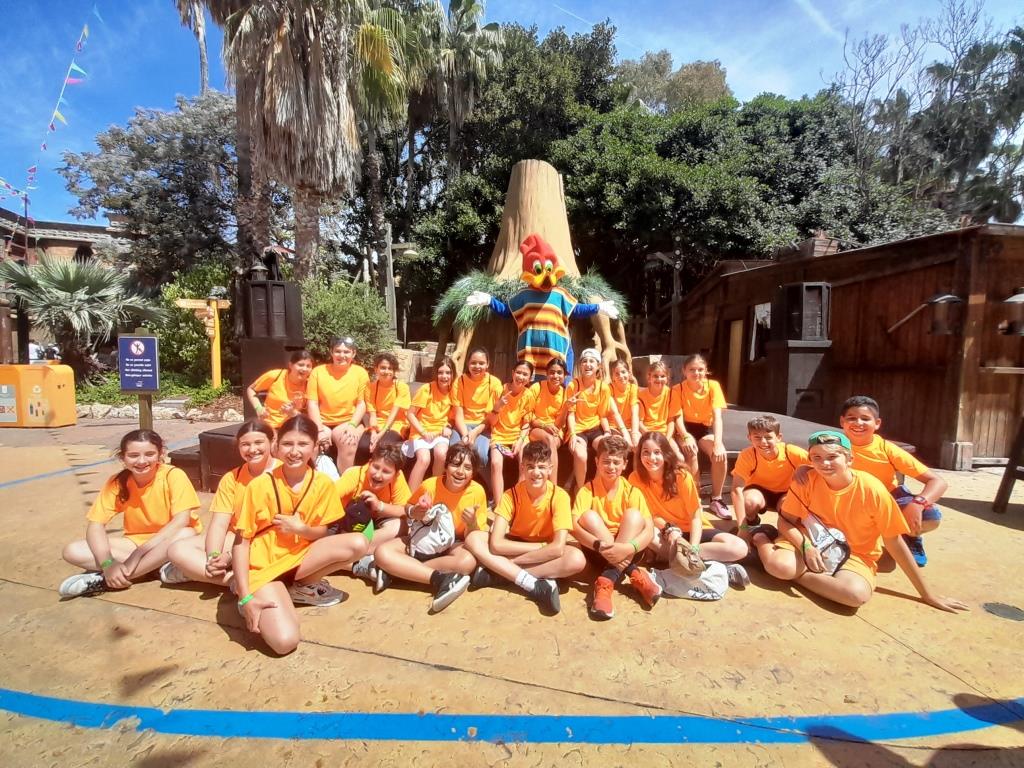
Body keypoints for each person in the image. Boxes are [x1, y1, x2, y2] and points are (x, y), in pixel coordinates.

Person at [753, 430, 967, 613]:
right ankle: (762, 538)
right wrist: (806, 547)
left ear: (849, 459)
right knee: (780, 567)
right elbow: (786, 522)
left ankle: (797, 576)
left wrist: (927, 594)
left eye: (832, 457)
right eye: (816, 457)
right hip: (808, 541)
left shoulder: (872, 490)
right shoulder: (806, 480)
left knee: (855, 596)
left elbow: (894, 542)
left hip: (855, 552)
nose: (824, 463)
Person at [233, 415, 368, 654]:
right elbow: (241, 544)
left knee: (358, 543)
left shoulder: (322, 483)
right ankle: (251, 593)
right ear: (276, 446)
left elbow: (323, 532)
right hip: (265, 566)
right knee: (285, 642)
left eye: (303, 444)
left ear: (315, 447)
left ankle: (299, 587)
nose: (294, 452)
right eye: (287, 444)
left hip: (300, 557)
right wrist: (245, 598)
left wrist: (302, 529)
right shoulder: (259, 486)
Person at [59, 430, 202, 597]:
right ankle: (151, 569)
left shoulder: (173, 475)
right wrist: (107, 563)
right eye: (133, 455)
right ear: (122, 457)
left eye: (149, 454)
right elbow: (96, 524)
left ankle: (108, 580)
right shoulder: (117, 482)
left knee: (186, 533)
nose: (142, 461)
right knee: (72, 551)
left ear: (161, 454)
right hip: (135, 544)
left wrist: (138, 554)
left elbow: (181, 521)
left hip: (169, 542)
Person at [463, 441, 586, 614]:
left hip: (541, 553)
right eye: (530, 467)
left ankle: (501, 573)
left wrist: (511, 563)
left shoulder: (560, 496)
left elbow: (558, 548)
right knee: (473, 538)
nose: (536, 472)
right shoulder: (510, 495)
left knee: (576, 558)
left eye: (541, 467)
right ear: (522, 468)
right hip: (520, 544)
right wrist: (540, 547)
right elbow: (497, 545)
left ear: (550, 469)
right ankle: (532, 583)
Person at [161, 420, 278, 587]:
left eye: (259, 442)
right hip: (238, 538)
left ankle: (196, 572)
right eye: (245, 444)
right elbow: (219, 524)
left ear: (272, 442)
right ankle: (231, 580)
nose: (252, 450)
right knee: (176, 550)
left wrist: (230, 555)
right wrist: (213, 557)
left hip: (272, 540)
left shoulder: (284, 473)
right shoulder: (232, 478)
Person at [373, 443, 486, 612]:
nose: (460, 471)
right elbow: (408, 508)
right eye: (455, 464)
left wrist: (471, 524)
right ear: (446, 466)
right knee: (381, 553)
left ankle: (400, 571)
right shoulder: (430, 485)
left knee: (467, 562)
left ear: (473, 472)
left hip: (453, 544)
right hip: (422, 540)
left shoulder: (477, 492)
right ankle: (439, 578)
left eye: (467, 468)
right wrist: (416, 511)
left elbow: (476, 536)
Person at [839, 395, 946, 567]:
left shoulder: (886, 449)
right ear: (842, 422)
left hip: (887, 499)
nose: (858, 423)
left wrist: (918, 504)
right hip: (846, 500)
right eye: (852, 418)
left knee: (931, 517)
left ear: (877, 423)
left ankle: (909, 536)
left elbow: (937, 481)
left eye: (865, 418)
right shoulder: (834, 446)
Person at [630, 432, 749, 584]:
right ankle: (717, 567)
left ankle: (686, 561)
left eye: (657, 452)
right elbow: (647, 516)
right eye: (646, 452)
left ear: (665, 454)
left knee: (739, 547)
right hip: (665, 532)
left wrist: (693, 548)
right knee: (646, 534)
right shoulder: (635, 478)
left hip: (693, 530)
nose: (651, 458)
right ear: (639, 455)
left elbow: (695, 516)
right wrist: (669, 530)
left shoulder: (681, 476)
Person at [571, 434, 662, 620]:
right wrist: (598, 545)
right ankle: (633, 572)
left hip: (630, 550)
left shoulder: (632, 491)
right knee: (588, 517)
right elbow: (572, 525)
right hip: (598, 551)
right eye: (606, 461)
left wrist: (628, 548)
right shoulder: (587, 490)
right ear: (596, 462)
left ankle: (605, 582)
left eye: (616, 462)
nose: (611, 467)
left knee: (634, 515)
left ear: (624, 464)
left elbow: (649, 530)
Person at [339, 443, 413, 581]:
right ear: (369, 463)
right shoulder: (354, 475)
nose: (378, 475)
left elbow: (406, 510)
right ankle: (359, 563)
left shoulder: (398, 478)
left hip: (373, 529)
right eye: (375, 467)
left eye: (386, 471)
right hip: (346, 528)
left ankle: (352, 557)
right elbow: (328, 498)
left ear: (395, 474)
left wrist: (380, 506)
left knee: (402, 526)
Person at [672, 354, 731, 520]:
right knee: (691, 452)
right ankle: (694, 497)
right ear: (684, 371)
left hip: (705, 428)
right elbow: (677, 418)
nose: (696, 373)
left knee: (720, 454)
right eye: (692, 369)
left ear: (706, 371)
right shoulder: (677, 389)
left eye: (700, 369)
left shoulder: (713, 386)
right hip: (685, 428)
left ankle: (716, 499)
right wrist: (685, 436)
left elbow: (717, 416)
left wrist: (718, 443)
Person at [731, 415, 808, 535]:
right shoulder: (747, 455)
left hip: (786, 492)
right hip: (759, 491)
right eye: (757, 437)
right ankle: (751, 523)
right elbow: (737, 489)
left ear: (778, 437)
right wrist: (742, 528)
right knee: (749, 502)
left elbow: (819, 465)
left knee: (790, 508)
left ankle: (786, 532)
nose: (763, 442)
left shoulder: (792, 452)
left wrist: (805, 467)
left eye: (768, 437)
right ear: (749, 438)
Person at [565, 347, 628, 490]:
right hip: (578, 429)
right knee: (581, 455)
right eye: (584, 361)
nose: (588, 364)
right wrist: (572, 434)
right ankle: (580, 488)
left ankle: (597, 485)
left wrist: (607, 432)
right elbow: (571, 414)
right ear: (580, 365)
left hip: (595, 428)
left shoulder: (603, 388)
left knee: (607, 450)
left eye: (591, 361)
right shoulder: (573, 385)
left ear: (598, 366)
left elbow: (602, 415)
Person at [306, 336, 370, 474]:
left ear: (353, 353)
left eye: (346, 352)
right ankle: (314, 480)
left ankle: (345, 483)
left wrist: (352, 425)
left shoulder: (360, 373)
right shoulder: (318, 372)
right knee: (311, 443)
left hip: (348, 421)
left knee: (348, 442)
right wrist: (319, 430)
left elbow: (362, 403)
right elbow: (312, 403)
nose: (342, 355)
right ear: (331, 352)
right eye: (338, 351)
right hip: (322, 421)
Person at [487, 360, 537, 504]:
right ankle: (499, 504)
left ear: (530, 378)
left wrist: (520, 440)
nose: (521, 377)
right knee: (496, 463)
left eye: (525, 374)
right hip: (499, 435)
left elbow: (526, 423)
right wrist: (497, 407)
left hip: (518, 435)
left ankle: (518, 500)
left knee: (525, 462)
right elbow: (491, 422)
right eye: (518, 373)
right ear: (512, 373)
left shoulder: (528, 395)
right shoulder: (499, 390)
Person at [404, 356, 456, 491]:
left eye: (448, 372)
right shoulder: (426, 389)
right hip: (421, 431)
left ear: (453, 374)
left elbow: (453, 417)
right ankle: (411, 496)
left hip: (440, 432)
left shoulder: (454, 391)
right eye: (440, 372)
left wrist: (449, 426)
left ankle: (433, 491)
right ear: (435, 374)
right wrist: (423, 432)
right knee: (424, 459)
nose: (444, 376)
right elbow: (410, 414)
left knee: (441, 454)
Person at [451, 347, 503, 472]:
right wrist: (466, 435)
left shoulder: (494, 383)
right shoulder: (460, 382)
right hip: (462, 425)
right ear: (468, 364)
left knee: (480, 456)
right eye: (473, 363)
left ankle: (474, 481)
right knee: (454, 454)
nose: (477, 366)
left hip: (483, 427)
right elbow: (458, 415)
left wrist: (474, 434)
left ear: (487, 364)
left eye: (481, 363)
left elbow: (491, 417)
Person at [355, 352, 410, 466]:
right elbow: (372, 414)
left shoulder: (401, 387)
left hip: (396, 424)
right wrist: (373, 432)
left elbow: (394, 414)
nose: (386, 371)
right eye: (383, 368)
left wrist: (380, 435)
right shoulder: (370, 387)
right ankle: (361, 473)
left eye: (390, 368)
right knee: (363, 446)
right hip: (377, 424)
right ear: (376, 369)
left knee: (383, 446)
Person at [527, 357, 571, 483]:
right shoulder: (537, 387)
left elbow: (559, 425)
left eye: (559, 373)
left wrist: (566, 407)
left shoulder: (565, 393)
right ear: (546, 374)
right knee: (549, 440)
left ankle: (546, 482)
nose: (555, 376)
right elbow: (529, 415)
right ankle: (553, 484)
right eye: (552, 372)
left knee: (551, 442)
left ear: (564, 375)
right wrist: (543, 425)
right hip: (537, 427)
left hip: (555, 430)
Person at [245, 350, 314, 429]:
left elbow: (310, 416)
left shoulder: (310, 384)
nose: (305, 369)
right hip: (270, 426)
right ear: (290, 365)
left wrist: (293, 413)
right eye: (301, 365)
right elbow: (251, 389)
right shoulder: (276, 375)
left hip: (294, 427)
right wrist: (258, 408)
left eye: (308, 366)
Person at [636, 360, 684, 460]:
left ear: (667, 378)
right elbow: (639, 423)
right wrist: (651, 436)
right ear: (649, 377)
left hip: (665, 434)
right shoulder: (641, 395)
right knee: (642, 455)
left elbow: (671, 421)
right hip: (646, 433)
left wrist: (666, 439)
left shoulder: (671, 394)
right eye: (655, 376)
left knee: (679, 458)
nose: (659, 379)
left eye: (662, 376)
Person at [610, 358, 639, 448]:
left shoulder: (633, 388)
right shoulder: (609, 389)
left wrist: (634, 433)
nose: (621, 376)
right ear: (612, 377)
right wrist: (625, 433)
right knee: (622, 444)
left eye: (623, 372)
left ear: (629, 373)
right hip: (614, 427)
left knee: (638, 444)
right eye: (617, 374)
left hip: (629, 426)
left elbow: (634, 413)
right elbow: (615, 413)